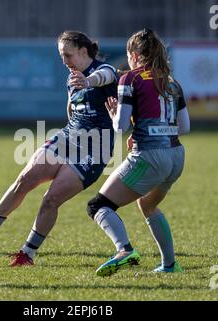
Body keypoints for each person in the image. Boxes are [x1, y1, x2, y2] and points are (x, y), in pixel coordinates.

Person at [0, 30, 119, 266]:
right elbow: (72, 109)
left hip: (94, 151)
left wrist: (87, 81)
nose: (64, 61)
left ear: (83, 51)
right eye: (60, 56)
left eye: (68, 55)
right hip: (69, 138)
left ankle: (27, 253)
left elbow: (105, 75)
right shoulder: (71, 77)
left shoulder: (105, 72)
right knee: (25, 178)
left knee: (50, 199)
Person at [87, 28, 190, 276]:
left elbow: (121, 126)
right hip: (176, 156)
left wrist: (113, 116)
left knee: (98, 206)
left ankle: (124, 250)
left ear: (133, 54)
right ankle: (169, 265)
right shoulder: (172, 82)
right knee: (148, 205)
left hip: (149, 157)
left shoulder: (130, 79)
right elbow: (184, 127)